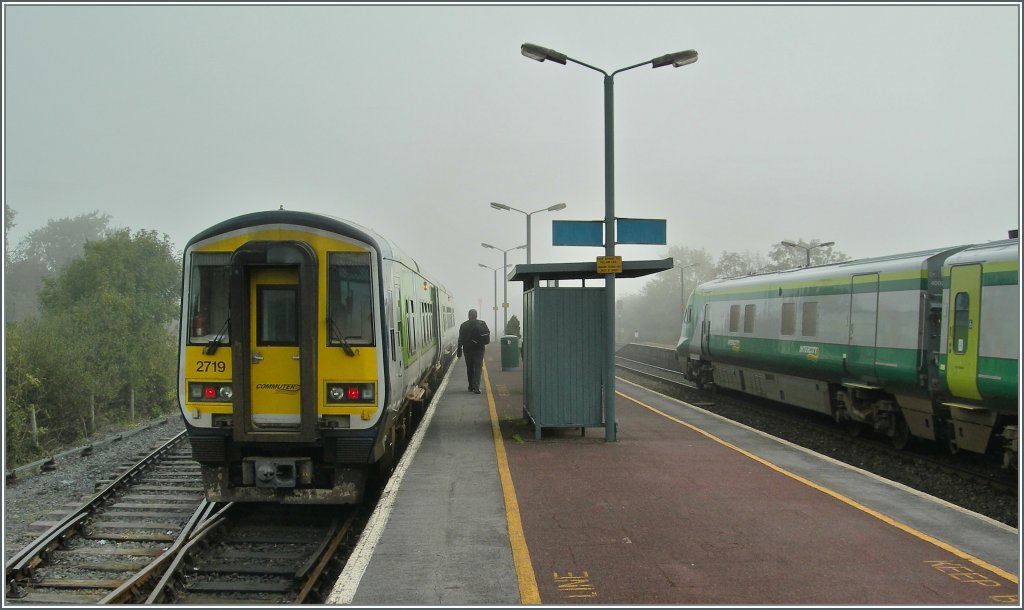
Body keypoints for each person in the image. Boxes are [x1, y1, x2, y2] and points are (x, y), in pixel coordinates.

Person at [457, 309, 490, 394]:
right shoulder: (482, 323)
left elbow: (460, 339)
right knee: (478, 367)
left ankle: (471, 386)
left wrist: (459, 350)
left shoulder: (463, 325)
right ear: (476, 315)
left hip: (468, 350)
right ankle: (477, 387)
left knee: (470, 368)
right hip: (479, 349)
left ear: (469, 315)